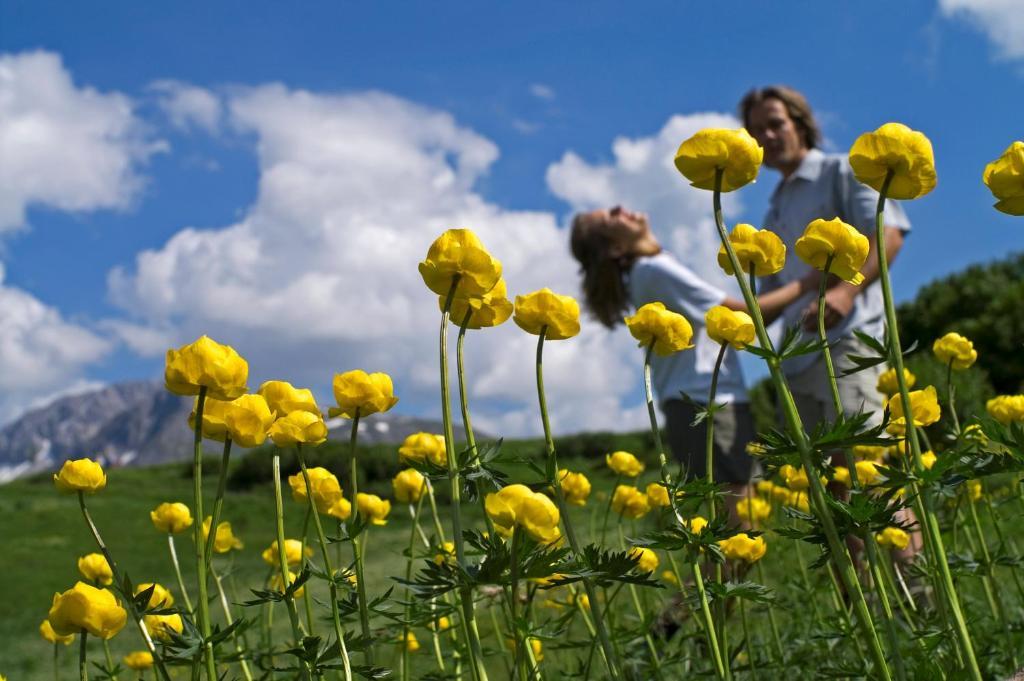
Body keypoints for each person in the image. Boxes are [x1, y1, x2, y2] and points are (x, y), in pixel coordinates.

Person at [740, 85, 922, 560]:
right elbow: (779, 294)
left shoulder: (843, 169)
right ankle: (864, 610)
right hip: (798, 359)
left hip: (849, 343)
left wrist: (844, 289)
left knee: (869, 475)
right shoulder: (774, 208)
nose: (768, 135)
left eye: (776, 123)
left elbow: (888, 234)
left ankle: (918, 603)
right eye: (758, 130)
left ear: (801, 123)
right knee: (833, 496)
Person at [570, 205, 818, 518]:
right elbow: (743, 315)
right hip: (707, 402)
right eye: (610, 216)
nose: (620, 208)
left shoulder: (650, 269)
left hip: (695, 401)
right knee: (738, 523)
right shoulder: (653, 270)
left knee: (730, 522)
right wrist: (809, 282)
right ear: (616, 246)